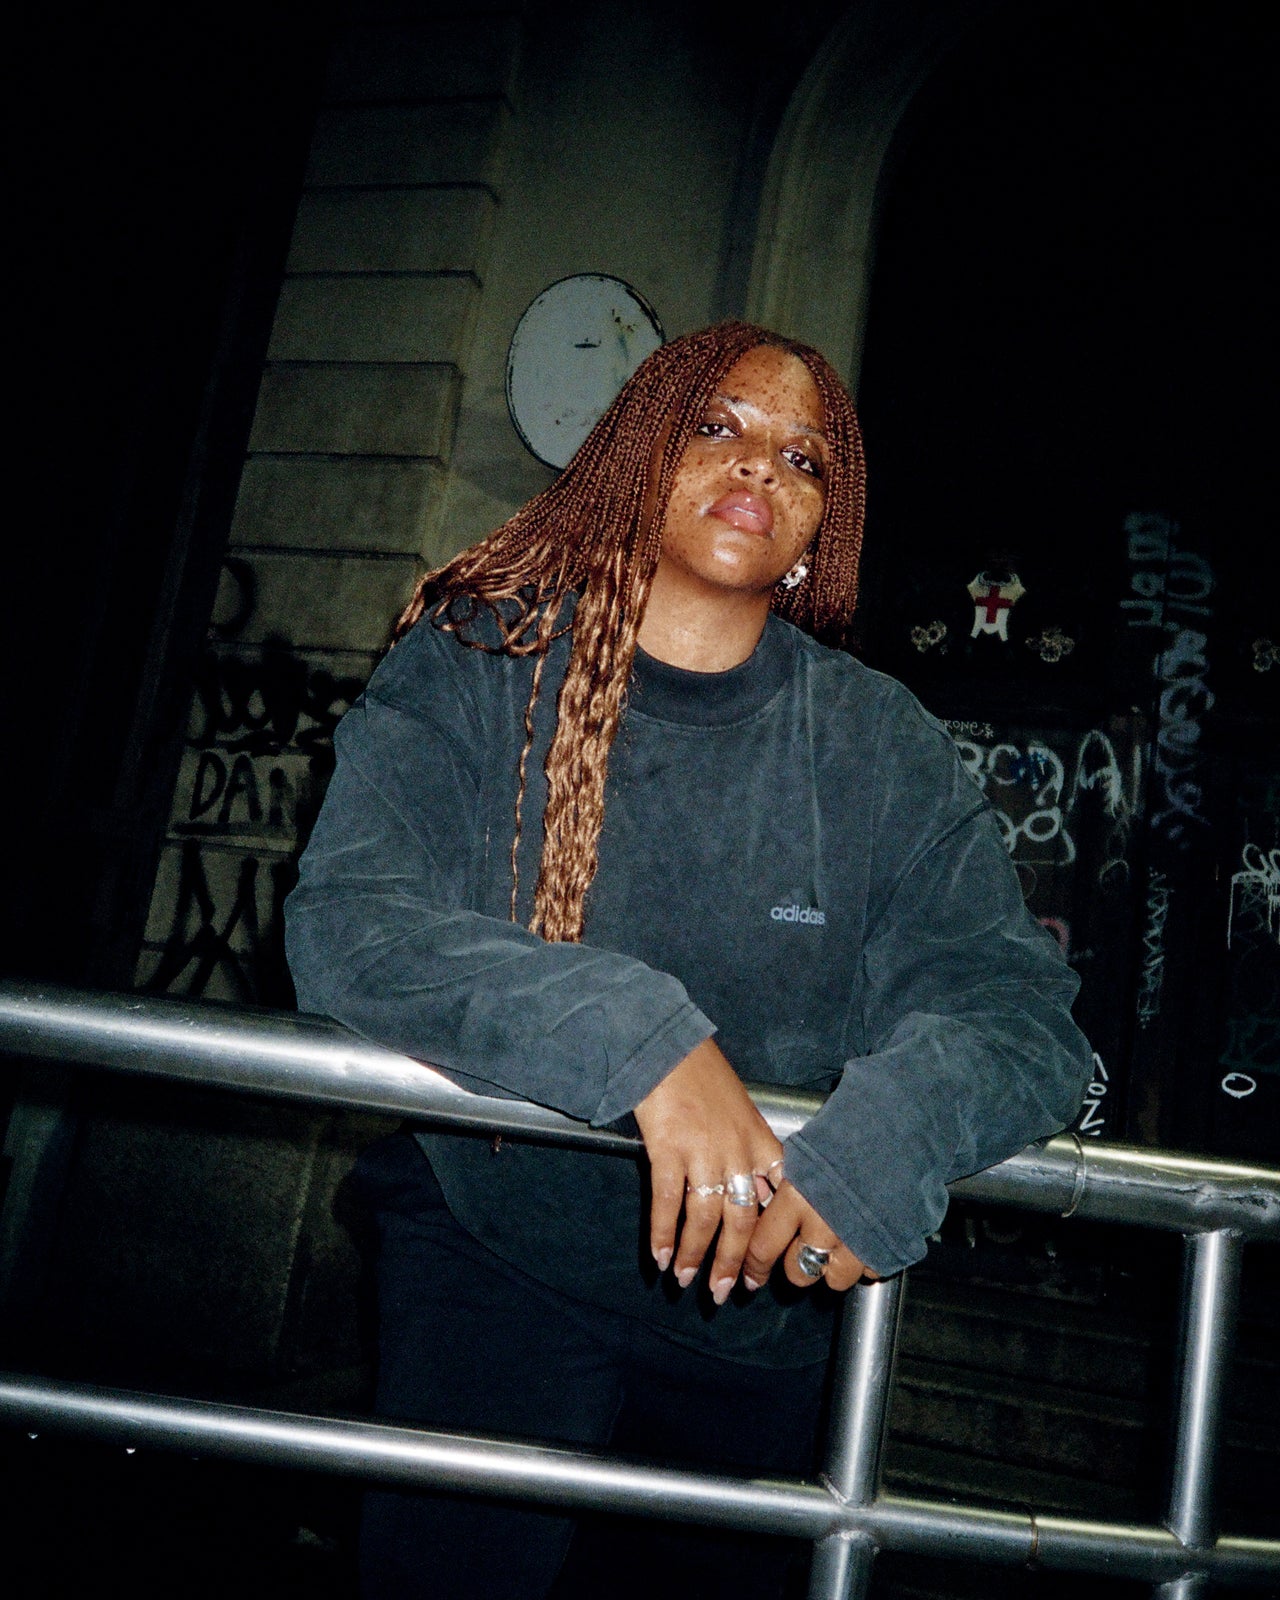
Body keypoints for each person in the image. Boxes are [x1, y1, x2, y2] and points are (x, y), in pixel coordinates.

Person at [284, 320, 1092, 1597]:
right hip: (495, 1263)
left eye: (802, 457)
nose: (758, 464)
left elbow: (1018, 1011)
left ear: (821, 524)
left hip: (759, 1321)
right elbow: (350, 922)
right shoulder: (482, 657)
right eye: (715, 427)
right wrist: (643, 1037)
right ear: (638, 458)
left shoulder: (877, 741)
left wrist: (897, 1125)